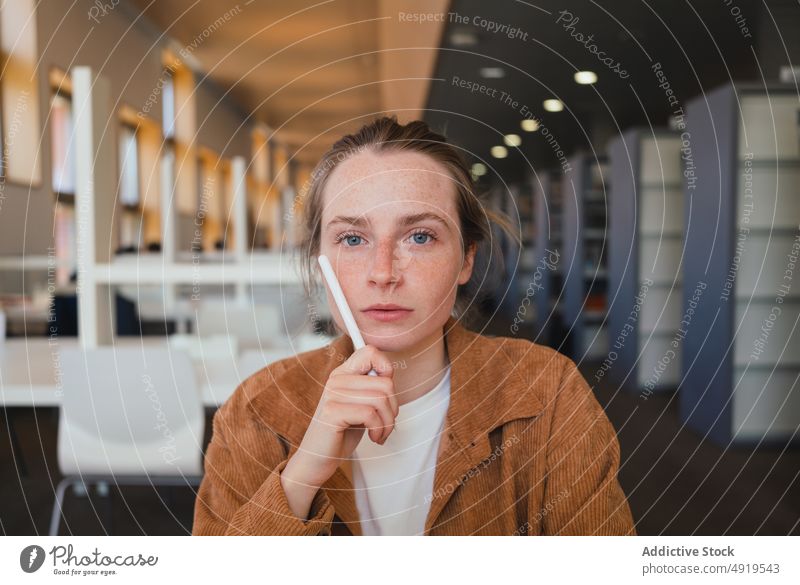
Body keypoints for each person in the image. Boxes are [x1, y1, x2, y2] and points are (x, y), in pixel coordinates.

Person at [192, 116, 636, 536]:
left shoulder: (549, 394)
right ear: (318, 260)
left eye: (420, 236)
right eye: (352, 238)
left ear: (466, 259)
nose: (383, 272)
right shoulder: (255, 410)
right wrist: (303, 473)